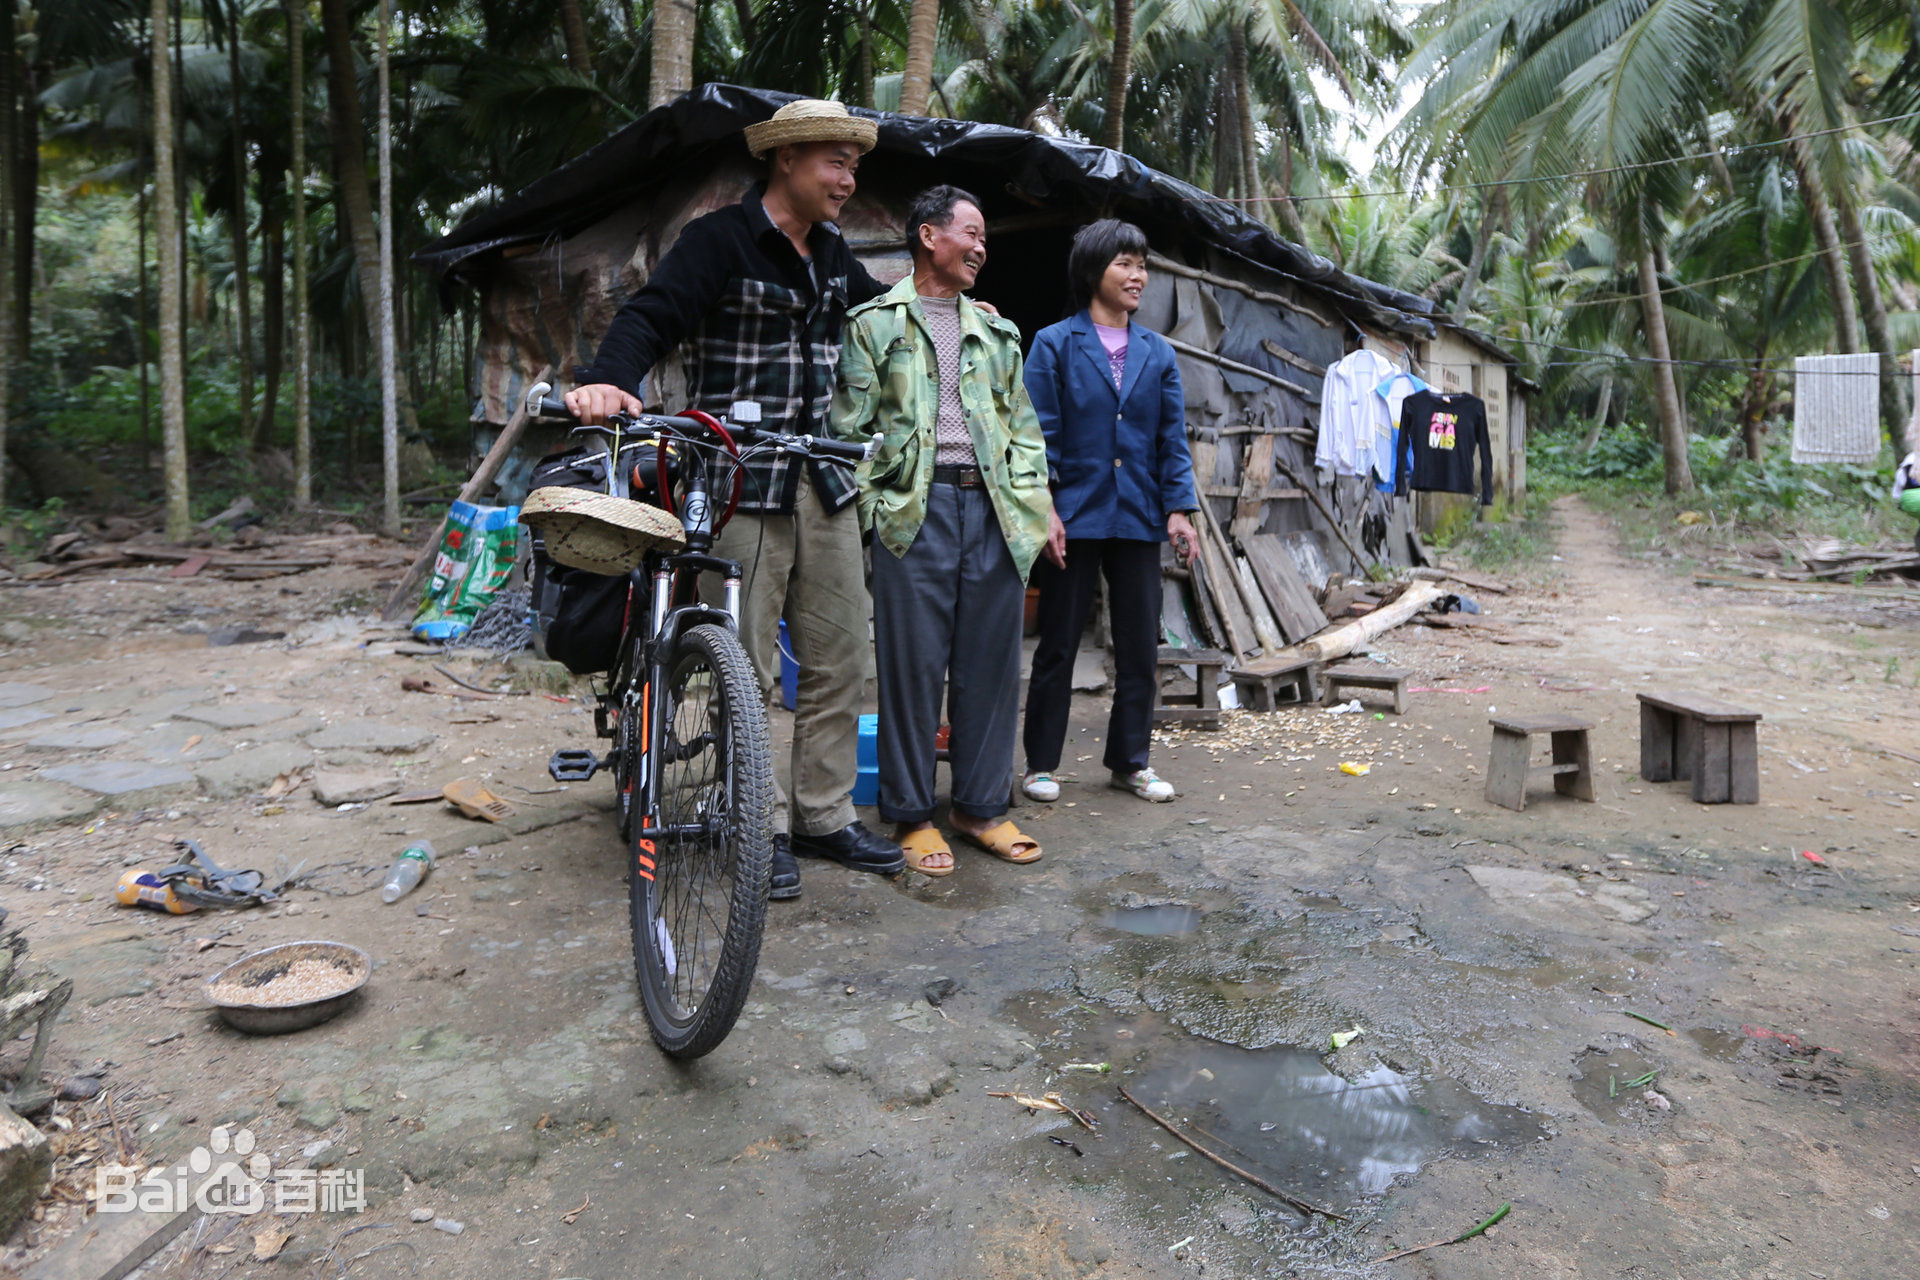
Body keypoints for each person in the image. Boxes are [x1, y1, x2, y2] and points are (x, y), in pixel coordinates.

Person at [566, 99, 905, 900]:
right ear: (785, 160)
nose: (848, 180)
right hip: (738, 484)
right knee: (744, 668)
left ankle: (824, 815)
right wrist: (609, 381)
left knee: (841, 657)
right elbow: (652, 315)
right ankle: (758, 824)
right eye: (834, 162)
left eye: (854, 166)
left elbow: (884, 318)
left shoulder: (833, 255)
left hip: (825, 479)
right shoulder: (717, 240)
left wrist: (947, 313)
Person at [830, 186, 1063, 877]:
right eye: (971, 231)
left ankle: (981, 807)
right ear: (929, 236)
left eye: (984, 235)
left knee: (991, 667)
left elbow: (1024, 432)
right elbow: (849, 434)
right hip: (915, 511)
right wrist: (879, 509)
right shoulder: (872, 324)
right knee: (913, 666)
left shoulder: (997, 334)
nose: (982, 246)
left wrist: (1034, 505)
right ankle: (908, 813)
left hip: (992, 510)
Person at [1019, 219, 1198, 804]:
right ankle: (1042, 764)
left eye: (1142, 265)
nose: (1138, 275)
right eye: (1125, 263)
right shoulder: (1052, 344)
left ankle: (1130, 761)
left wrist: (1179, 509)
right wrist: (1044, 507)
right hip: (1074, 512)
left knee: (1139, 645)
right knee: (1059, 644)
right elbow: (1037, 434)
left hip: (1139, 514)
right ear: (1094, 270)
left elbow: (1171, 438)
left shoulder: (1157, 352)